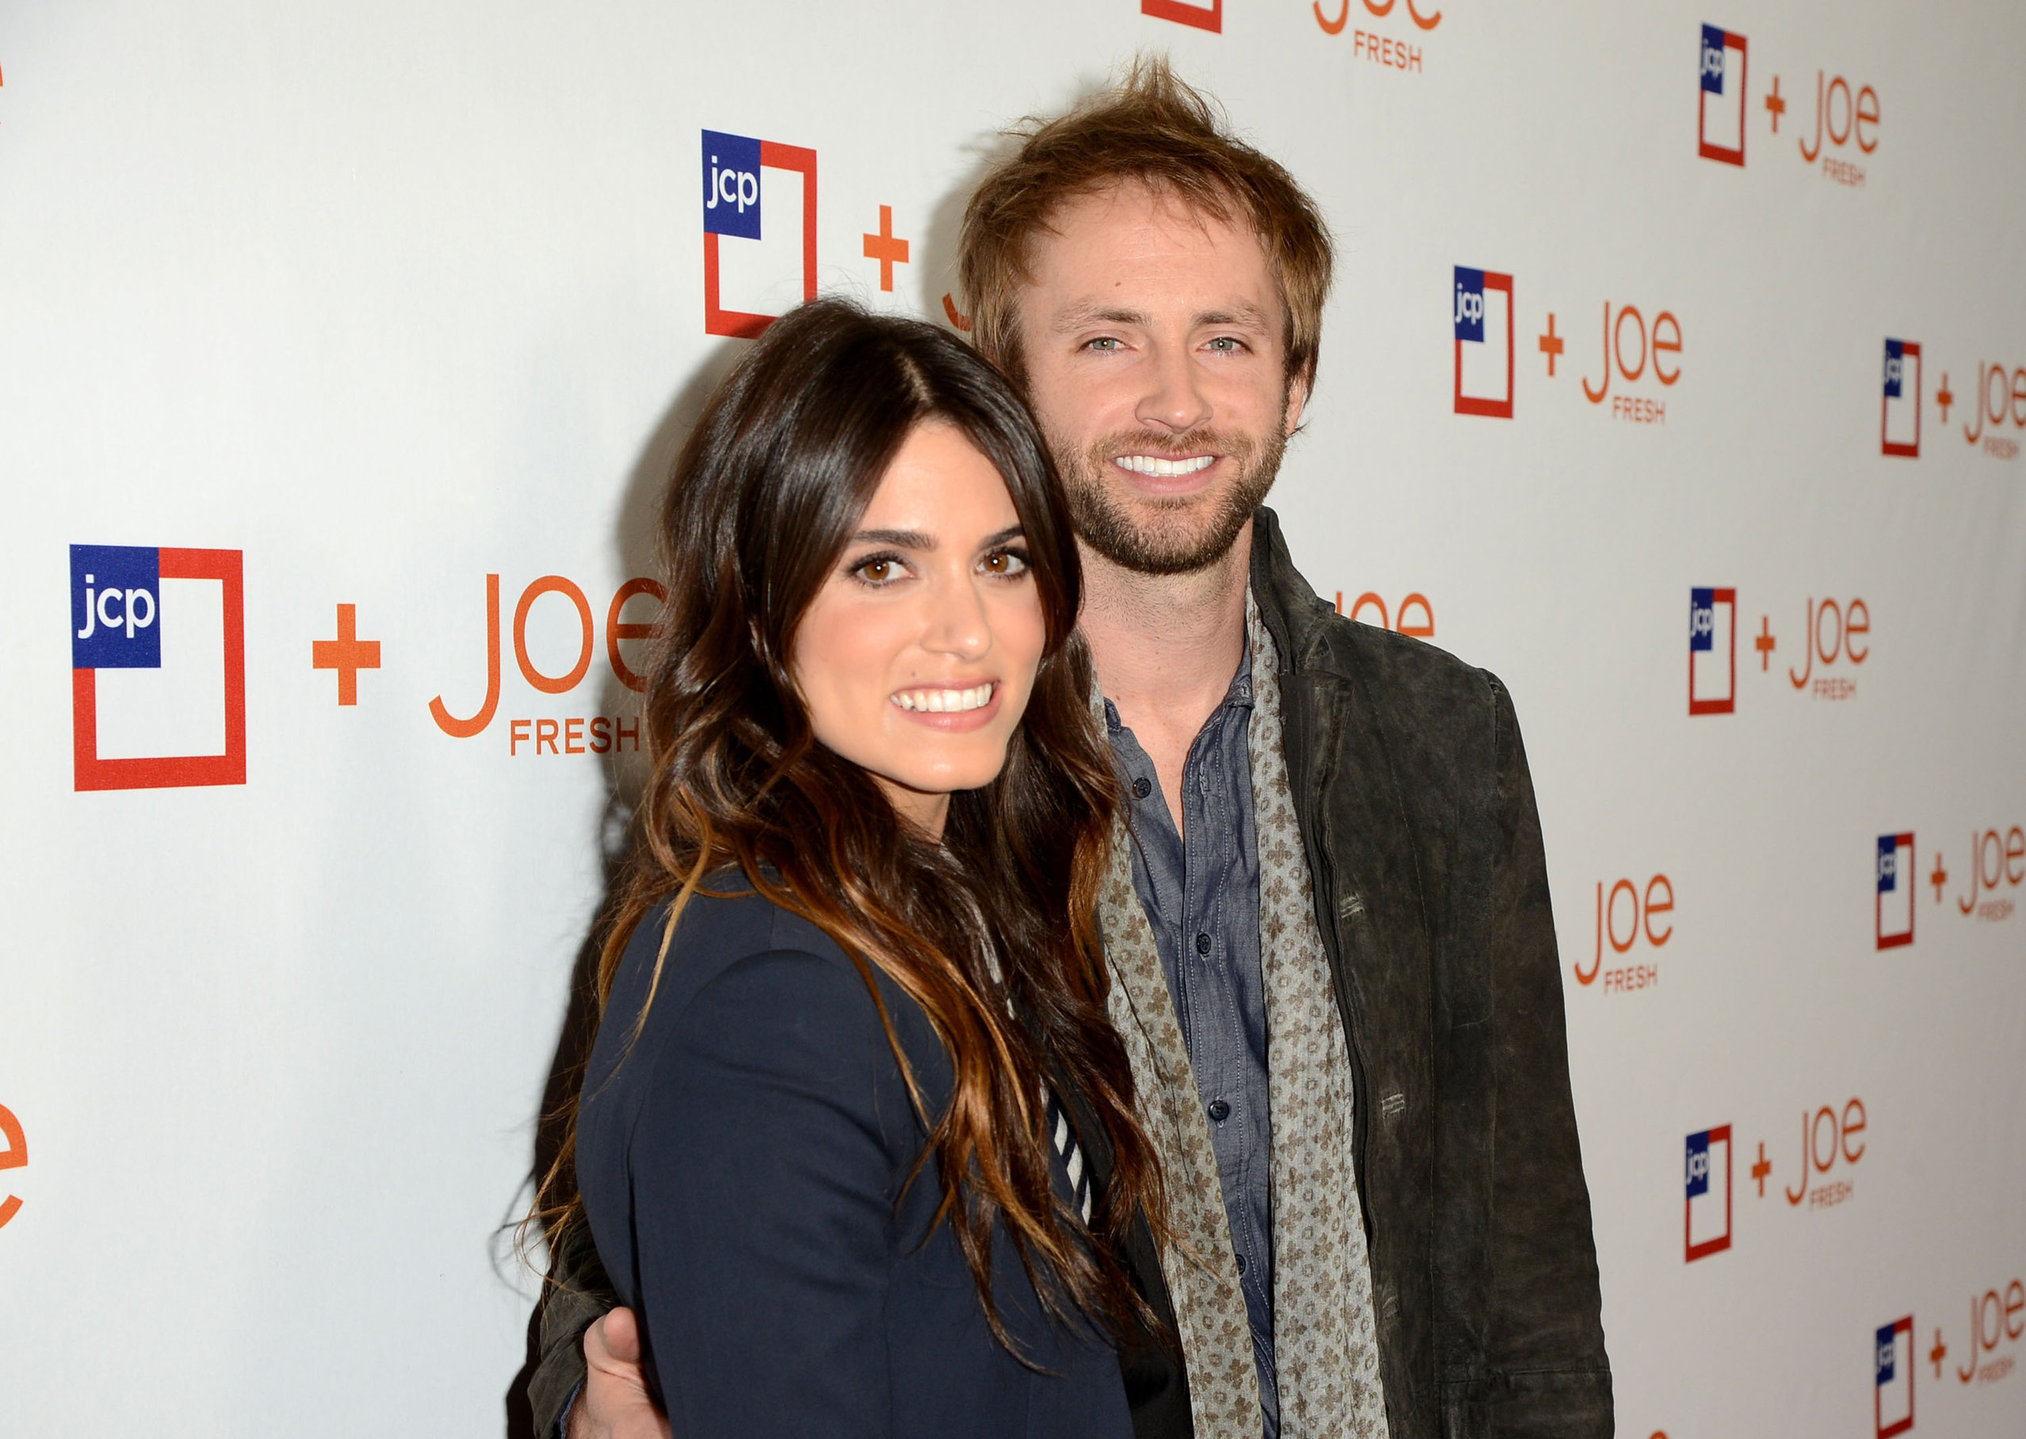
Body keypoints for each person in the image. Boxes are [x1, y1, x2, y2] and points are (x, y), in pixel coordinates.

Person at [533, 59, 1613, 1439]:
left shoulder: (1442, 739)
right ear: (1000, 372)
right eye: (1107, 339)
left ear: (1296, 382)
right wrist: (585, 1399)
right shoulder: (914, 764)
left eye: (1226, 339)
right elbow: (664, 1226)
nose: (1175, 401)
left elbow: (1528, 1281)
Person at [531, 297, 1186, 1436]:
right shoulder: (770, 997)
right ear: (761, 607)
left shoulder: (963, 898)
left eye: (1003, 560)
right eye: (883, 567)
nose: (968, 631)